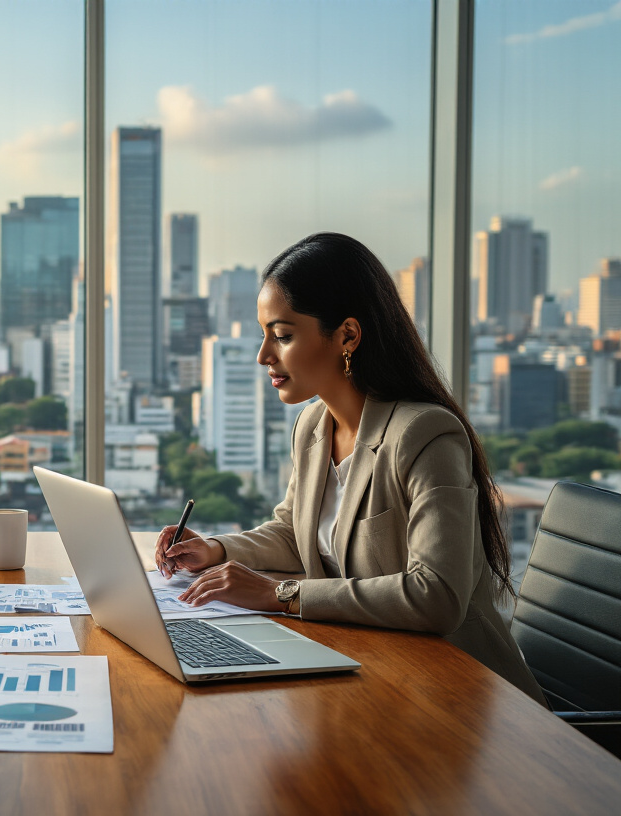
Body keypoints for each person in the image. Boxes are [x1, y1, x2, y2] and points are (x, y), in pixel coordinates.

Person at [155, 232, 544, 701]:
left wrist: (278, 595)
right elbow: (293, 532)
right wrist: (216, 550)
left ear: (347, 336)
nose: (264, 356)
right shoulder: (314, 425)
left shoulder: (425, 435)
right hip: (375, 673)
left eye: (282, 336)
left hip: (461, 696)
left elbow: (437, 596)